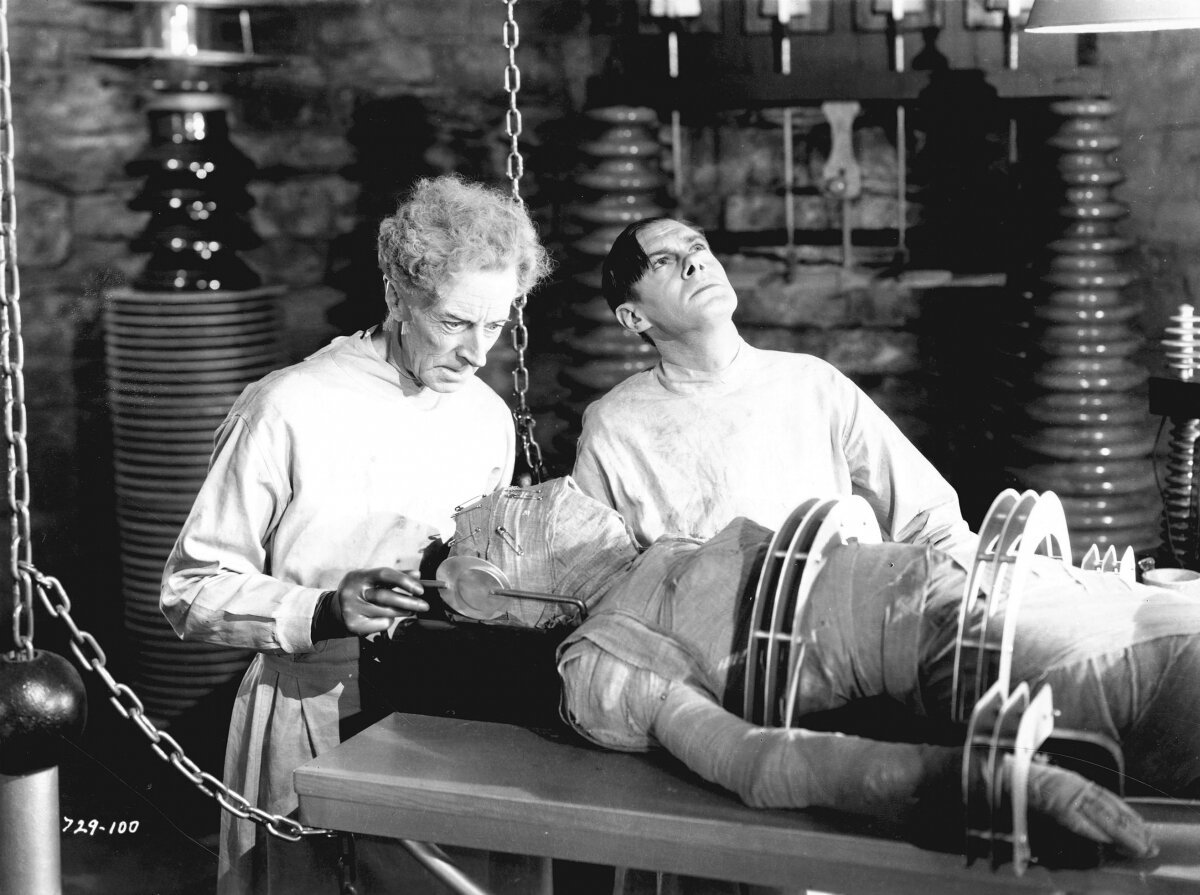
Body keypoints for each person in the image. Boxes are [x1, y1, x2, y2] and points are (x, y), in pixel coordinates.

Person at [443, 476, 1199, 862]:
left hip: (1029, 583)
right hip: (979, 645)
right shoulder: (605, 661)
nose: (545, 489)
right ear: (498, 590)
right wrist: (967, 780)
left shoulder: (661, 551)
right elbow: (758, 763)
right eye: (511, 514)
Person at [160, 174, 551, 895]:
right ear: (398, 297)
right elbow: (191, 588)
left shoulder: (486, 416)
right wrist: (324, 610)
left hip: (445, 716)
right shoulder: (289, 407)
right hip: (312, 713)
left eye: (496, 326)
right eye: (455, 323)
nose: (477, 353)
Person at [573, 217, 975, 564]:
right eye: (662, 261)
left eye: (697, 248)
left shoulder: (813, 383)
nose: (694, 263)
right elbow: (592, 576)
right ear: (634, 317)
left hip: (827, 619)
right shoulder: (614, 424)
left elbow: (931, 522)